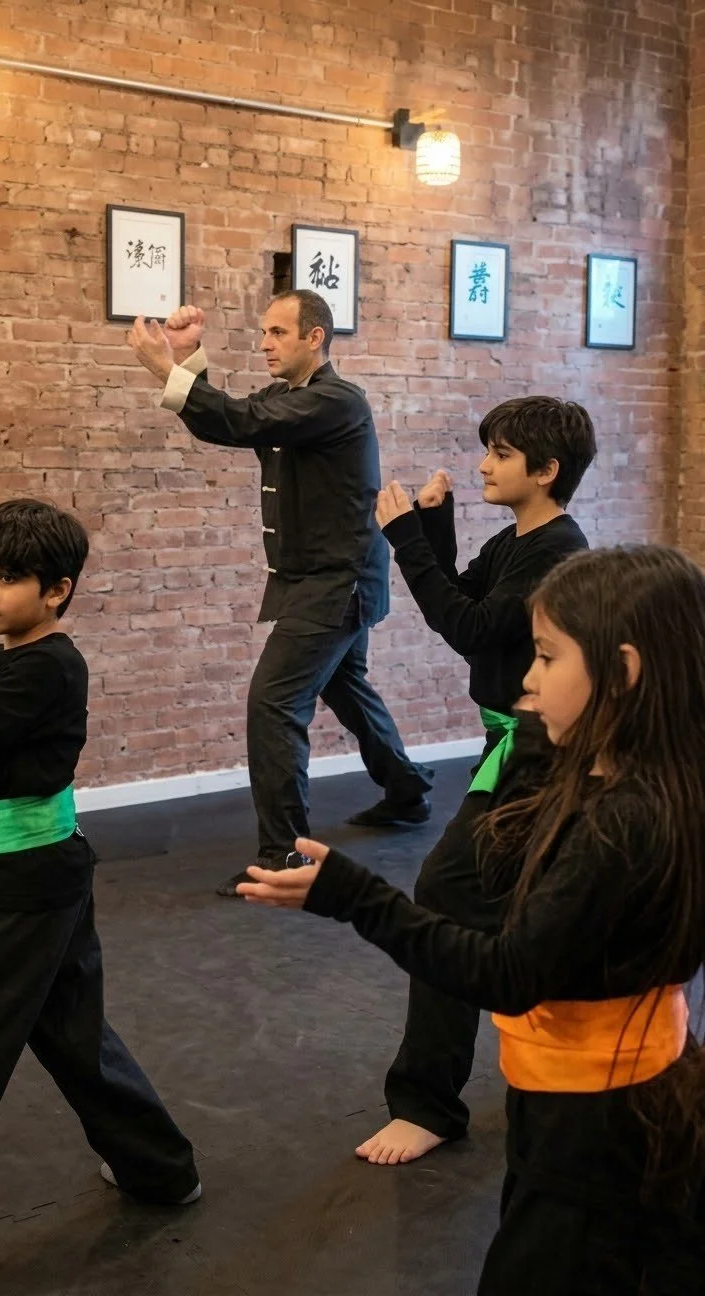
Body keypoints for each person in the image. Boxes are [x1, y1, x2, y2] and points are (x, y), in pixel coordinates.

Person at [239, 544, 705, 1296]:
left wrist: (356, 896)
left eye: (546, 658)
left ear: (621, 673)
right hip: (592, 1101)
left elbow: (506, 974)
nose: (528, 680)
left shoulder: (626, 824)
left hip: (598, 1123)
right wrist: (536, 736)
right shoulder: (622, 779)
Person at [0, 500, 199, 1296]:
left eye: (8, 578)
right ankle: (160, 1170)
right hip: (33, 870)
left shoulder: (49, 667)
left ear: (57, 590)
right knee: (69, 1031)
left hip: (25, 883)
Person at [128, 290, 432, 898]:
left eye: (277, 333)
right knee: (345, 687)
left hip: (338, 579)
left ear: (314, 338)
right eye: (264, 332)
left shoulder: (338, 400)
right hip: (315, 577)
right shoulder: (288, 397)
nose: (264, 344)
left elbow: (242, 422)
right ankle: (407, 792)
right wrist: (188, 357)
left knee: (273, 703)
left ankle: (285, 853)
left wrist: (163, 369)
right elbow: (230, 419)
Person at [358, 396, 596, 1166]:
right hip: (514, 747)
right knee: (490, 900)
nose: (484, 465)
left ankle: (428, 1103)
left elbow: (465, 627)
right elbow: (465, 605)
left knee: (448, 893)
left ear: (545, 470)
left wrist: (403, 537)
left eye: (499, 454)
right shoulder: (516, 541)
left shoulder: (556, 551)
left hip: (537, 752)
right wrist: (433, 525)